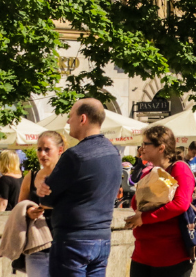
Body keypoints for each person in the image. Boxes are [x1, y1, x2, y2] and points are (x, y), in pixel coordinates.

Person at [37, 98, 120, 277]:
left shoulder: (75, 155)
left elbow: (47, 199)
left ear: (83, 119)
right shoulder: (113, 153)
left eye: (70, 116)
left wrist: (45, 192)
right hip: (102, 238)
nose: (68, 121)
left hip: (73, 239)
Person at [126, 124, 195, 277]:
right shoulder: (151, 172)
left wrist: (144, 218)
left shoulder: (179, 169)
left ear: (161, 148)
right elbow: (136, 204)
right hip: (142, 255)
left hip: (171, 257)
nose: (141, 148)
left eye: (145, 144)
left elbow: (180, 204)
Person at [14, 131, 66, 277]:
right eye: (39, 149)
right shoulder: (31, 176)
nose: (42, 154)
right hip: (36, 246)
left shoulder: (67, 176)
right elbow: (20, 208)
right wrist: (29, 211)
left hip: (63, 246)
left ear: (60, 150)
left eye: (47, 149)